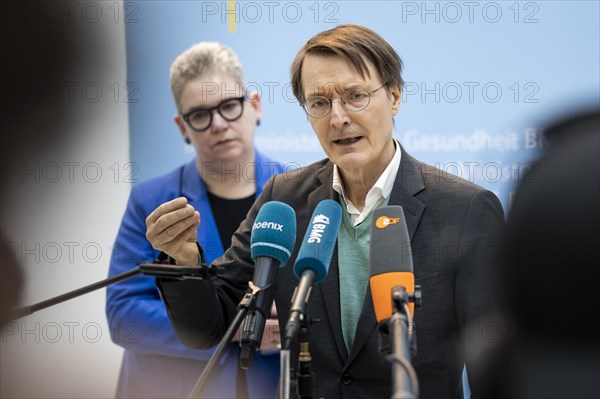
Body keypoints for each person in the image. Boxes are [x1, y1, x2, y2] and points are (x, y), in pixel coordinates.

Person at [151, 25, 505, 398]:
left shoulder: (465, 210)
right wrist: (184, 260)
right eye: (319, 102)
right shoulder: (284, 199)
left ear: (395, 96)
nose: (338, 118)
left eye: (355, 96)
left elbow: (495, 369)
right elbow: (208, 328)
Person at [105, 42, 285, 399]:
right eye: (200, 115)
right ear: (182, 127)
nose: (218, 125)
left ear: (255, 106)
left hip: (273, 385)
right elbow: (124, 318)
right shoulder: (152, 201)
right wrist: (232, 327)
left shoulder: (296, 194)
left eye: (229, 106)